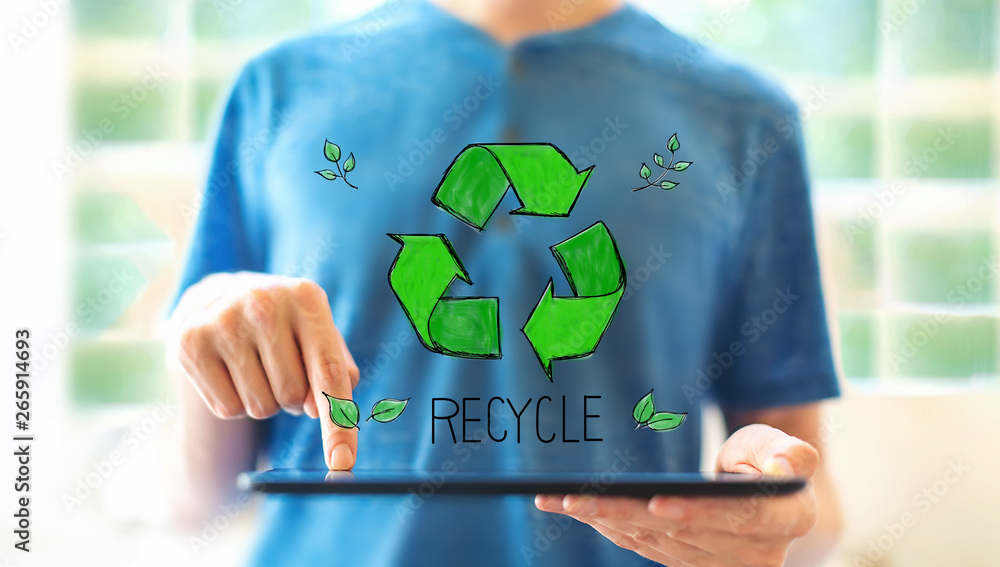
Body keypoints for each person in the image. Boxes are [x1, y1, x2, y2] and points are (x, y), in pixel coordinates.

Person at [167, 0, 843, 565]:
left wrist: (775, 520)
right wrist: (201, 327)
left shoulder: (744, 117)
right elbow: (202, 498)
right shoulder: (277, 89)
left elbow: (807, 508)